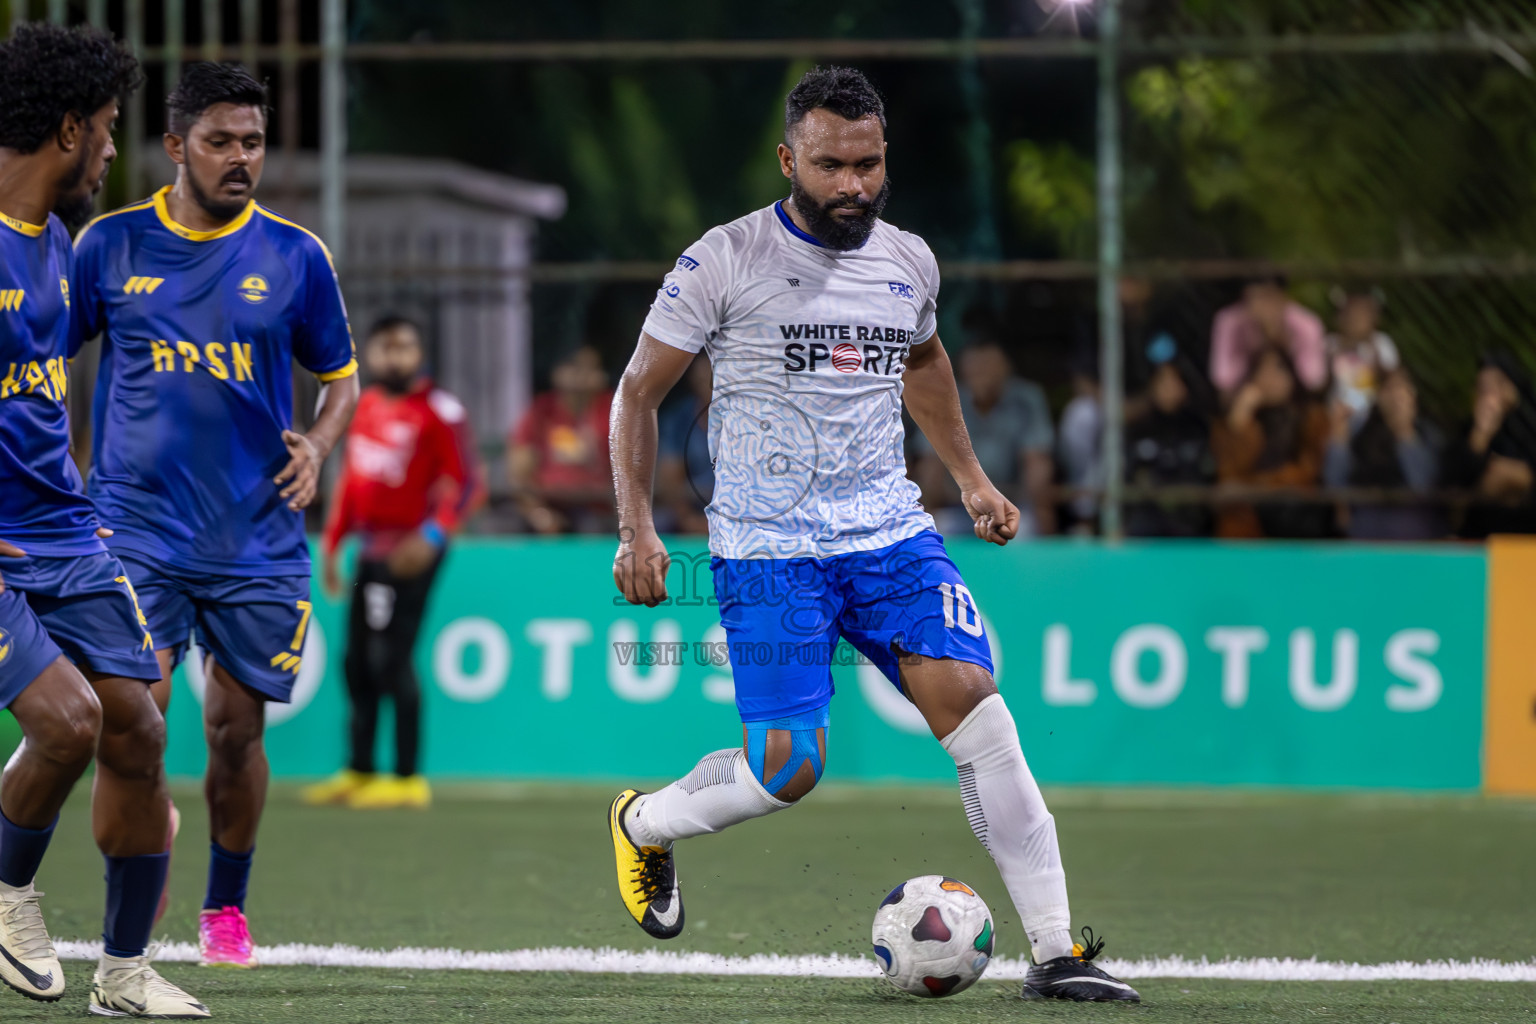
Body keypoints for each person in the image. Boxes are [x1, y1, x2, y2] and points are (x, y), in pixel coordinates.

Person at [605, 66, 1138, 1003]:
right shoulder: (722, 259)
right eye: (830, 166)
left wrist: (970, 479)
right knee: (788, 770)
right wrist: (637, 527)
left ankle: (1056, 952)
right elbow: (637, 394)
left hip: (889, 533)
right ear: (789, 159)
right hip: (767, 548)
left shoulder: (909, 261)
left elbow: (924, 362)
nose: (853, 184)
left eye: (869, 164)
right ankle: (646, 823)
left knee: (981, 711)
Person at [72, 61, 360, 969]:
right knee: (133, 720)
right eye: (220, 142)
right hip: (133, 529)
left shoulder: (296, 256)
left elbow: (340, 379)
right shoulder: (109, 247)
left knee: (237, 734)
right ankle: (140, 863)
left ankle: (224, 909)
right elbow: (40, 355)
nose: (241, 159)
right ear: (174, 147)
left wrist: (317, 444)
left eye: (253, 142)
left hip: (256, 537)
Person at [0, 24, 208, 1017]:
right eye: (112, 131)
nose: (115, 153)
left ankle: (122, 973)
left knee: (137, 725)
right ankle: (6, 895)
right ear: (72, 129)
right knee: (69, 720)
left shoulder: (58, 247)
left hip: (63, 530)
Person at [306, 316, 482, 810]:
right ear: (371, 354)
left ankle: (406, 778)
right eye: (385, 348)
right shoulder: (364, 407)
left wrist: (432, 535)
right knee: (356, 661)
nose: (395, 357)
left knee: (391, 657)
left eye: (404, 347)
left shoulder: (439, 411)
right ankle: (359, 770)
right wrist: (333, 544)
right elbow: (350, 483)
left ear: (420, 352)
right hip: (370, 550)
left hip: (411, 552)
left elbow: (466, 484)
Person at [911, 338, 1057, 537]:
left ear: (1006, 367)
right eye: (975, 367)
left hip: (1012, 504)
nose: (982, 373)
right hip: (958, 505)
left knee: (1025, 531)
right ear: (962, 370)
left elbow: (1037, 462)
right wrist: (928, 511)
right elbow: (930, 463)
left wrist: (1043, 515)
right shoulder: (947, 399)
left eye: (988, 366)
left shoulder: (1025, 400)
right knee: (935, 533)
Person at [1212, 347, 1331, 538]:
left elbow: (1307, 473)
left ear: (1292, 376)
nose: (1269, 378)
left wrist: (1255, 489)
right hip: (1248, 520)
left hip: (1293, 517)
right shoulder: (1241, 421)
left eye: (1278, 369)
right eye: (1262, 370)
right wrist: (1239, 420)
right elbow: (1229, 475)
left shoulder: (1311, 418)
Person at [1323, 368, 1445, 541]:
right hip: (1366, 534)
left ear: (1414, 397)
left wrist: (1405, 434)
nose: (1396, 397)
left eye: (1402, 389)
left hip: (1415, 536)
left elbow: (1424, 486)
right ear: (1379, 396)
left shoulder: (1428, 435)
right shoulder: (1358, 431)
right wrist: (1338, 441)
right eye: (1389, 388)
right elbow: (1334, 483)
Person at [506, 345, 615, 534]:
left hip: (599, 509)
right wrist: (538, 513)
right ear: (558, 374)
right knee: (503, 527)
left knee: (593, 528)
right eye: (575, 368)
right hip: (547, 504)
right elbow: (519, 472)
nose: (581, 377)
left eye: (590, 369)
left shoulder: (614, 410)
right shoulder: (541, 411)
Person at [1124, 334, 1216, 538]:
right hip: (1146, 528)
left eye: (1175, 380)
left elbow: (1206, 477)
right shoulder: (1137, 428)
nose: (1170, 388)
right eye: (1162, 381)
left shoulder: (1197, 426)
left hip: (1191, 527)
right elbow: (1127, 478)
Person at [1443, 352, 1536, 538]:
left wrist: (1518, 476)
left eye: (1496, 386)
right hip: (1480, 538)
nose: (1489, 396)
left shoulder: (1527, 424)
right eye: (1482, 388)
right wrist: (1480, 437)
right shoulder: (1467, 432)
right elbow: (1455, 486)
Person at [1209, 276, 1327, 400]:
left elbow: (1314, 380)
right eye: (1252, 298)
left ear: (1282, 297)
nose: (1258, 305)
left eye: (1266, 297)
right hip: (1247, 396)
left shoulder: (1307, 324)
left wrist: (1281, 338)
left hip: (1295, 401)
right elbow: (1223, 380)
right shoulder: (1230, 321)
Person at [656, 353, 714, 534]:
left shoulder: (750, 418)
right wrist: (688, 518)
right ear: (693, 380)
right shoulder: (679, 419)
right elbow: (669, 480)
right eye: (702, 379)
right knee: (656, 522)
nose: (710, 386)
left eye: (714, 379)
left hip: (743, 512)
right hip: (691, 508)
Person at [1326, 287, 1399, 415]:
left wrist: (1371, 348)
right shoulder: (1330, 343)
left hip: (1372, 412)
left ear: (1374, 319)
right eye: (1350, 313)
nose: (1355, 319)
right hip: (1334, 410)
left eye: (1362, 314)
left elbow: (1391, 377)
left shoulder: (1381, 342)